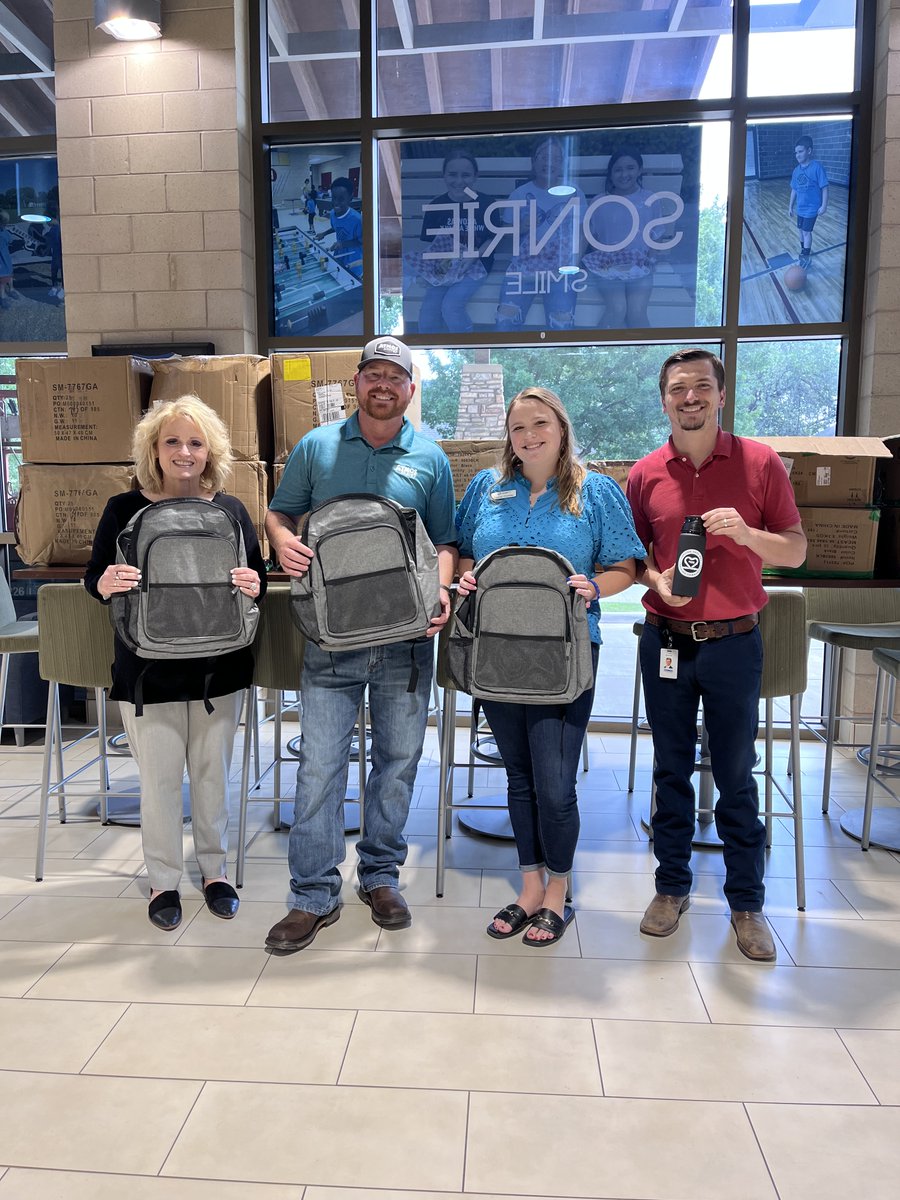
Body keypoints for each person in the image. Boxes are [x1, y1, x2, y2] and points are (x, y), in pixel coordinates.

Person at [264, 337, 458, 953]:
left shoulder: (430, 458)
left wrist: (442, 590)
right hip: (331, 636)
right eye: (372, 374)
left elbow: (446, 541)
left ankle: (379, 877)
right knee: (320, 766)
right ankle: (312, 895)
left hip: (405, 642)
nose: (382, 385)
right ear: (357, 383)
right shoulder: (316, 447)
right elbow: (280, 513)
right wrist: (280, 542)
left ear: (410, 389)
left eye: (394, 377)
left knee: (397, 765)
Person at [625, 348, 806, 962]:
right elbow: (631, 559)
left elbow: (797, 548)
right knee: (670, 769)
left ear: (721, 395)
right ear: (664, 399)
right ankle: (670, 887)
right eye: (678, 388)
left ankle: (747, 903)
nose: (690, 397)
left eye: (702, 386)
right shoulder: (646, 472)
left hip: (734, 644)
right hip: (667, 643)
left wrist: (749, 536)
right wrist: (656, 579)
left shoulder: (760, 464)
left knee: (734, 773)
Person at [456, 387, 645, 945]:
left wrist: (595, 586)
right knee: (517, 778)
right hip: (498, 655)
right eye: (518, 428)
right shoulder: (485, 490)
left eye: (540, 424)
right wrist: (465, 578)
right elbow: (466, 552)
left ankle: (560, 893)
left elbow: (625, 565)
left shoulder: (595, 492)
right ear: (508, 437)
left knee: (555, 785)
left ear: (561, 429)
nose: (529, 435)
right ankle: (529, 887)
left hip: (564, 657)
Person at [84, 396, 266, 931]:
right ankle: (163, 878)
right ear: (154, 450)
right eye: (172, 442)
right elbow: (95, 576)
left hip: (219, 665)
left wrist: (253, 586)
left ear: (210, 451)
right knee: (159, 781)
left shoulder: (231, 510)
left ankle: (215, 872)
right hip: (148, 669)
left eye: (195, 442)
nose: (184, 452)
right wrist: (103, 582)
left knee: (212, 777)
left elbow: (253, 579)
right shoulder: (123, 509)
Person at [495, 137, 586, 332]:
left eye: (555, 158)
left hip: (560, 270)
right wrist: (521, 227)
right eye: (543, 156)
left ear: (563, 164)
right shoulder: (520, 194)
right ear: (533, 162)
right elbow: (505, 236)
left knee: (562, 325)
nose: (549, 162)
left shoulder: (573, 192)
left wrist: (572, 266)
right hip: (523, 269)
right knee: (505, 322)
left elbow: (583, 233)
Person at [410, 149, 494, 334]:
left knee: (451, 306)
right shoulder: (436, 206)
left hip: (475, 266)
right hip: (446, 269)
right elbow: (432, 247)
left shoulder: (487, 204)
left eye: (466, 175)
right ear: (444, 176)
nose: (459, 181)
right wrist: (430, 272)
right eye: (452, 175)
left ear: (475, 177)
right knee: (428, 314)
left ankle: (466, 347)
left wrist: (472, 257)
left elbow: (493, 238)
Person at [583, 146, 663, 329]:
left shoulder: (649, 199)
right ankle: (597, 351)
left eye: (630, 168)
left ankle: (644, 353)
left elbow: (655, 236)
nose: (624, 174)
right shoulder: (599, 202)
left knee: (636, 312)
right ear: (610, 174)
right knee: (617, 309)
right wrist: (604, 261)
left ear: (639, 170)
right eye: (618, 170)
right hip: (608, 265)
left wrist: (650, 259)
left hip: (639, 265)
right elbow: (593, 237)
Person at [788, 136, 828, 269]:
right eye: (796, 152)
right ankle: (804, 249)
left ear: (809, 151)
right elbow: (794, 190)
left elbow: (824, 187)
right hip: (800, 208)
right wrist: (790, 206)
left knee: (806, 232)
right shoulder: (796, 171)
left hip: (812, 208)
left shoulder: (817, 167)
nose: (797, 155)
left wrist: (824, 205)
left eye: (800, 151)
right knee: (800, 230)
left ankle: (806, 255)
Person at [316, 176, 363, 278]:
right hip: (339, 254)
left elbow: (362, 241)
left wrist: (343, 244)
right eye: (334, 198)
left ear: (350, 198)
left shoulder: (357, 220)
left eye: (341, 199)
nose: (336, 203)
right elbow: (336, 228)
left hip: (354, 260)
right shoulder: (333, 213)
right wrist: (324, 234)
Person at [44, 209, 63, 300]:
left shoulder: (57, 229)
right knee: (54, 271)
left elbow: (53, 241)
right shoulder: (54, 229)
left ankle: (61, 288)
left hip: (59, 254)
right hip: (55, 254)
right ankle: (55, 287)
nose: (46, 223)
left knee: (60, 271)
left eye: (47, 220)